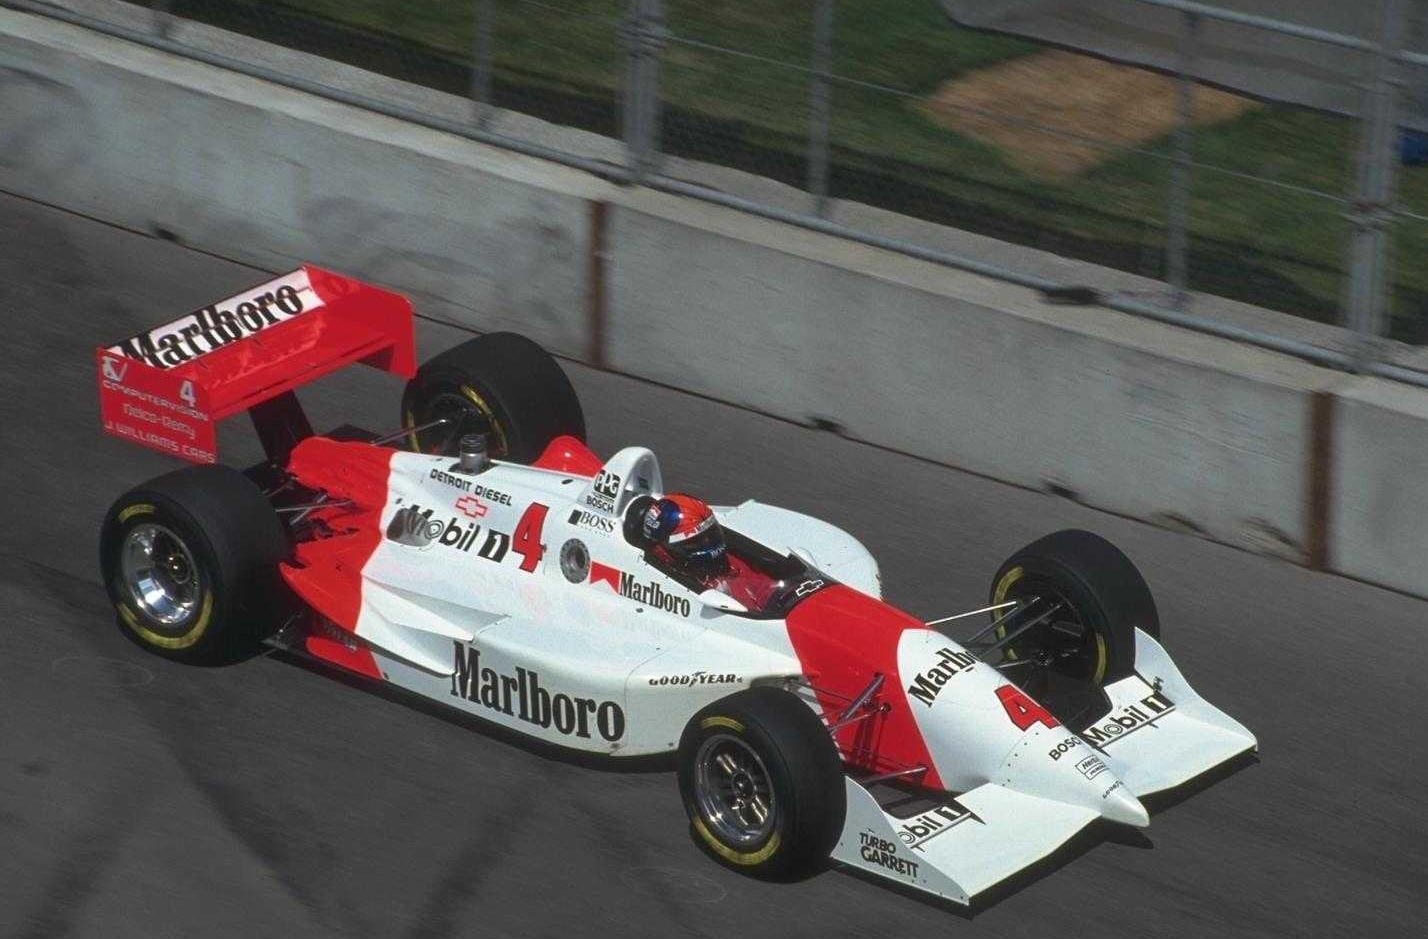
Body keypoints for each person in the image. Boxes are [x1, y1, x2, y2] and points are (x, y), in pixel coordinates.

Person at [641, 494, 778, 611]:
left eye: (712, 534)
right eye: (696, 541)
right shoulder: (658, 578)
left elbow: (763, 587)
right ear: (667, 546)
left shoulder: (726, 563)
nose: (710, 543)